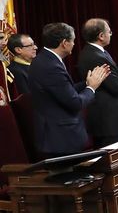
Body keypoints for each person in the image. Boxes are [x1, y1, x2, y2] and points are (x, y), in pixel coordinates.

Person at [29, 22, 109, 158]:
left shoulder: (46, 60)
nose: (74, 44)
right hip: (59, 138)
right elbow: (75, 102)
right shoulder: (50, 66)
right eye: (73, 41)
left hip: (58, 135)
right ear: (64, 43)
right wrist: (92, 87)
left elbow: (64, 90)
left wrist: (87, 83)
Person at [78, 18, 118, 147]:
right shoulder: (96, 56)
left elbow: (111, 78)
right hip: (109, 122)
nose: (111, 34)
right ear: (101, 36)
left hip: (108, 120)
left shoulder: (94, 52)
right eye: (109, 32)